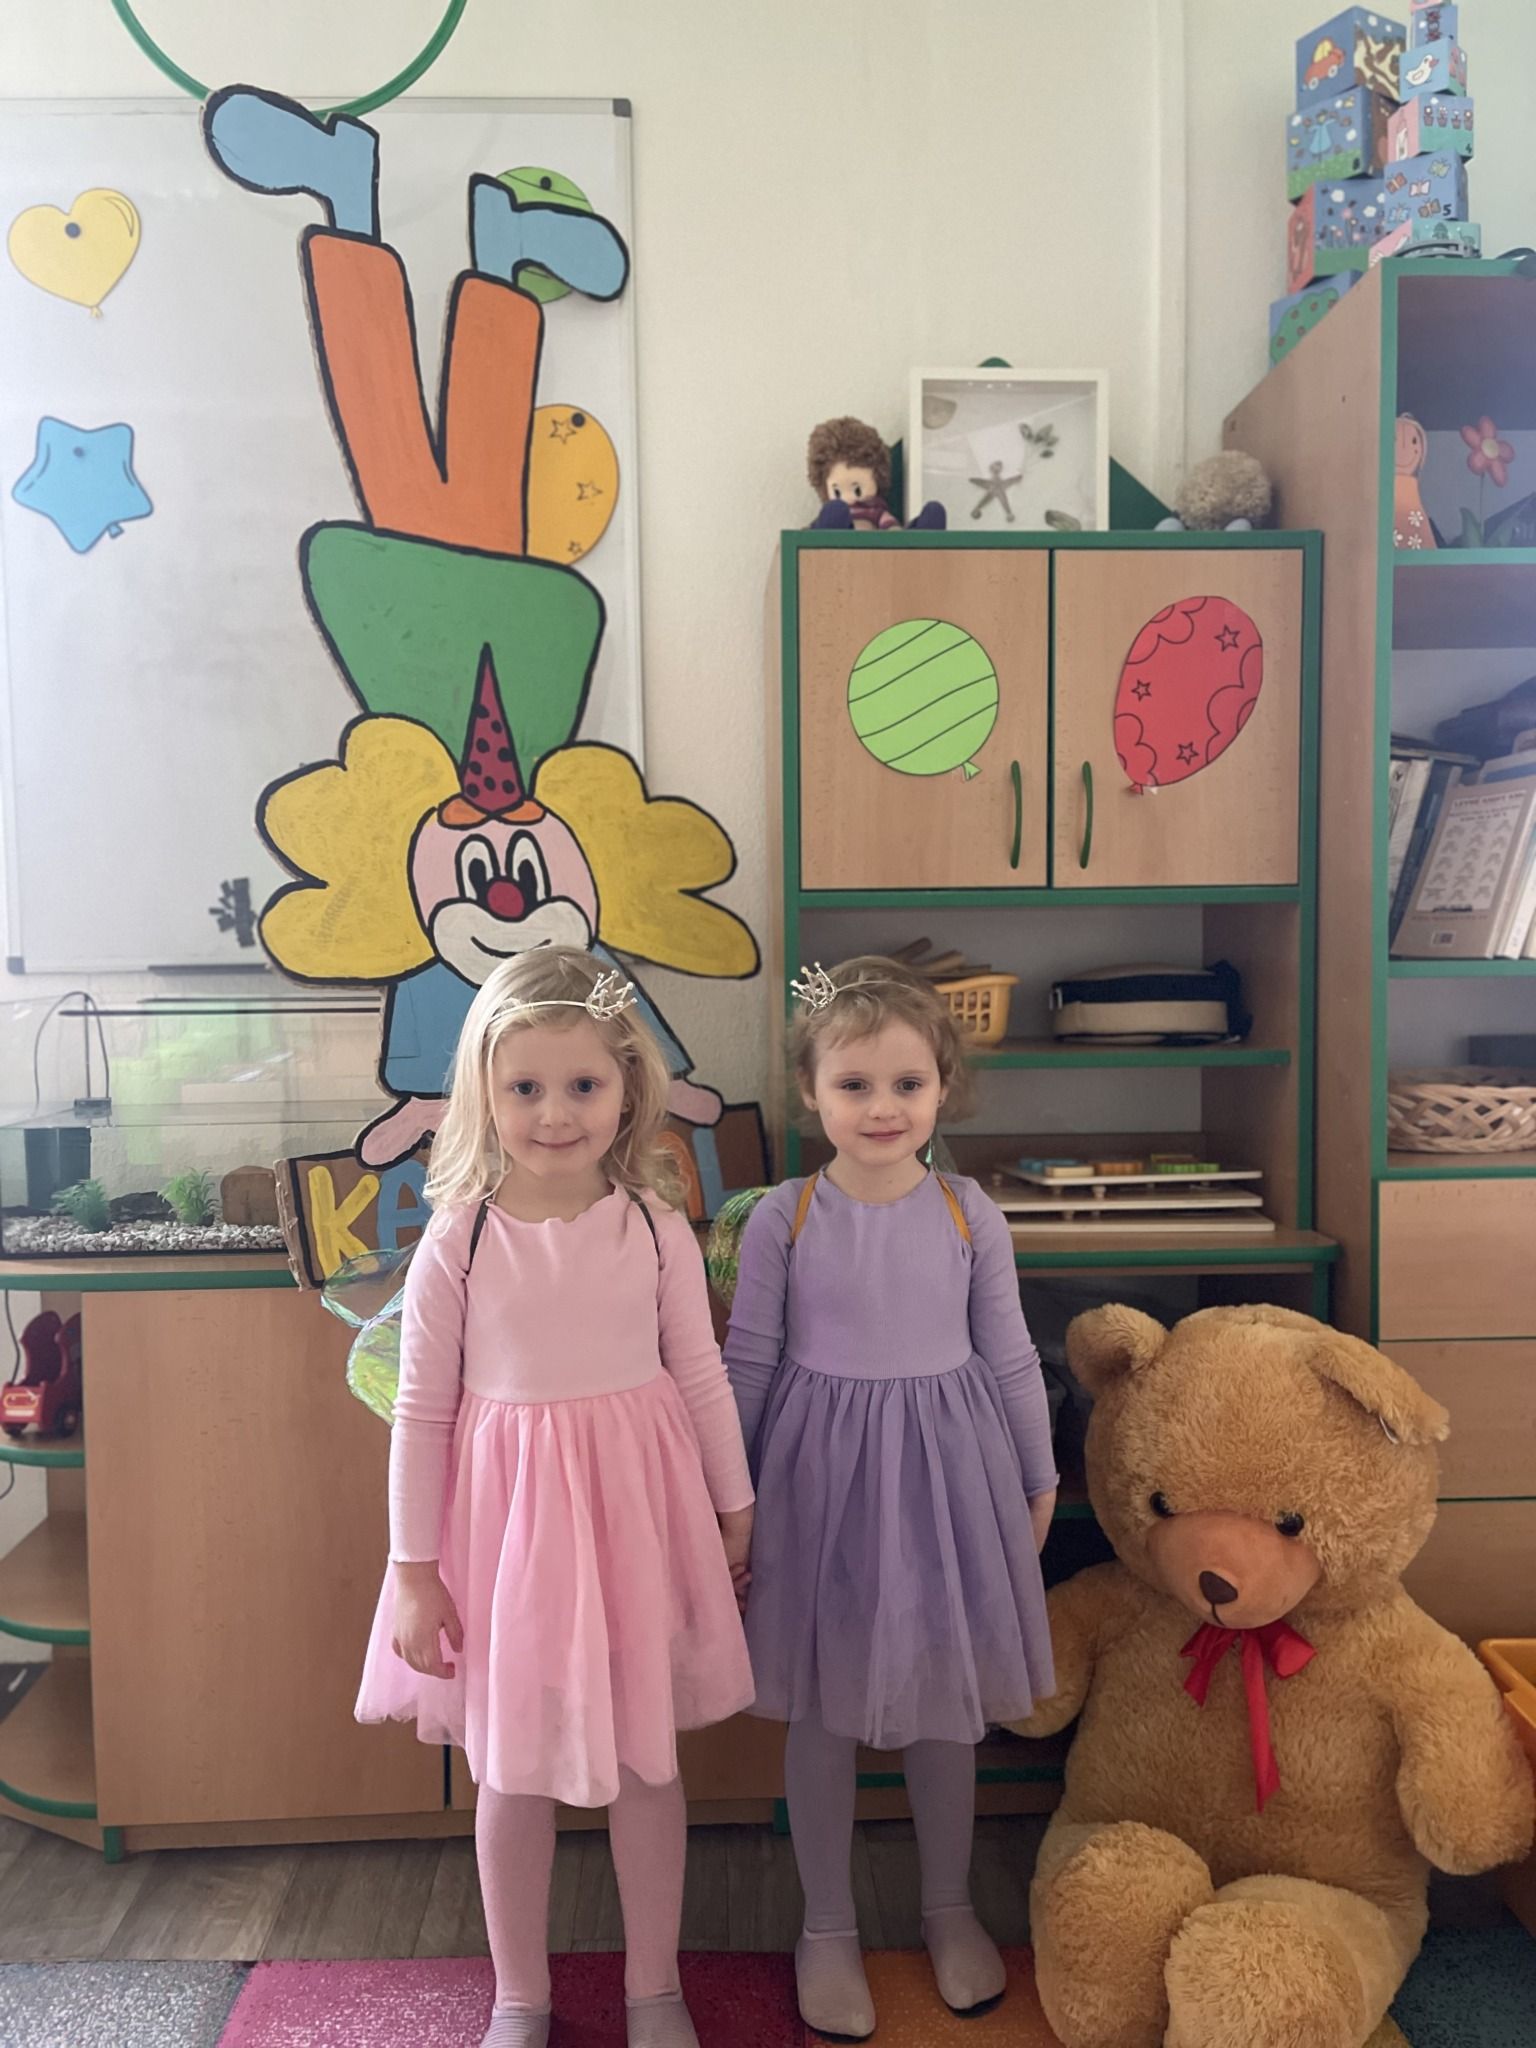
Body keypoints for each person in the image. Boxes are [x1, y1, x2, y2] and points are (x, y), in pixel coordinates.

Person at [356, 947, 754, 2048]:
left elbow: (702, 1374)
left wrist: (735, 1508)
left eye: (582, 1084)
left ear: (627, 1083)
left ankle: (654, 1986)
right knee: (512, 1771)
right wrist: (412, 1571)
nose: (554, 1112)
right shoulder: (458, 1238)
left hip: (637, 1526)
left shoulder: (655, 1225)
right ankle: (519, 1996)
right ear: (484, 1090)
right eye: (525, 1086)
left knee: (646, 1761)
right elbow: (420, 1414)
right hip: (510, 1543)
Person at [725, 956, 1058, 2040]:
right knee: (822, 1707)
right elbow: (747, 1364)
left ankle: (948, 1906)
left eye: (908, 1084)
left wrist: (1039, 1474)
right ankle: (825, 1922)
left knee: (943, 1702)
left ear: (943, 1087)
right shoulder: (784, 1216)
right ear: (810, 1091)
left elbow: (1012, 1355)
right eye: (855, 1084)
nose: (882, 1106)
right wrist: (730, 1501)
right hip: (816, 1483)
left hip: (947, 1479)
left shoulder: (970, 1212)